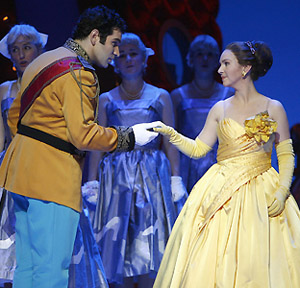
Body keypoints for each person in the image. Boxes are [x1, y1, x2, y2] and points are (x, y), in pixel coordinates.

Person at [0, 6, 158, 288]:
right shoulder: (79, 73)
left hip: (18, 175)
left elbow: (15, 117)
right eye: (114, 43)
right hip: (51, 180)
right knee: (51, 270)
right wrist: (129, 137)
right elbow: (83, 135)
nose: (117, 53)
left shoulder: (43, 60)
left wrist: (34, 145)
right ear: (95, 36)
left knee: (28, 267)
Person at [151, 40, 300, 287]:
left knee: (258, 259)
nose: (219, 69)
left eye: (225, 63)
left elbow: (285, 155)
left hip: (261, 191)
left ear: (245, 69)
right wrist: (171, 133)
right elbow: (199, 149)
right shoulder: (219, 109)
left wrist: (283, 190)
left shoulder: (273, 108)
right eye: (220, 63)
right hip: (220, 190)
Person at [86, 32, 187, 288]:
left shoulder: (160, 96)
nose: (129, 59)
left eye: (134, 54)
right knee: (119, 239)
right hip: (117, 176)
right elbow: (97, 143)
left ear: (144, 60)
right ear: (115, 63)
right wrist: (92, 182)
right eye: (123, 55)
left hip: (152, 173)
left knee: (148, 238)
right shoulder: (107, 100)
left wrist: (176, 179)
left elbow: (170, 141)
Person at [0, 24, 48, 288]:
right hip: (13, 171)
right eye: (15, 49)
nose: (20, 54)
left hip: (46, 167)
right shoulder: (4, 90)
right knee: (12, 244)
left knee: (46, 243)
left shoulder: (52, 83)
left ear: (39, 50)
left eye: (26, 47)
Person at [171, 34, 234, 193]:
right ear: (191, 59)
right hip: (188, 166)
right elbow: (172, 138)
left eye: (210, 54)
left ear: (217, 61)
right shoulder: (178, 96)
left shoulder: (229, 95)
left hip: (220, 165)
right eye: (200, 54)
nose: (205, 59)